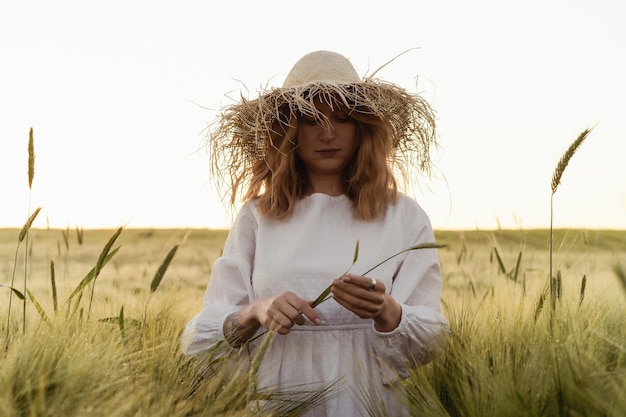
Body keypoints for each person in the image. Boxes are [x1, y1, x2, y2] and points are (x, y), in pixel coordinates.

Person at [182, 50, 449, 416]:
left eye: (343, 118)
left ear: (362, 127)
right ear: (289, 128)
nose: (327, 133)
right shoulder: (257, 217)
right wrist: (256, 311)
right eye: (311, 120)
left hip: (370, 406)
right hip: (279, 404)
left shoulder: (403, 216)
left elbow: (431, 340)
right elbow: (203, 341)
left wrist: (387, 311)